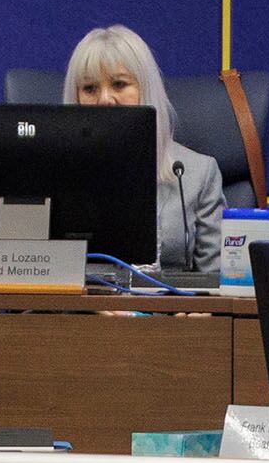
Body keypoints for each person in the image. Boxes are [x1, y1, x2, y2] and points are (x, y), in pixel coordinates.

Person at [62, 24, 225, 278]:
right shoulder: (58, 173)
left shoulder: (197, 174)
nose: (105, 99)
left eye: (119, 84)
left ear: (146, 89)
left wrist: (196, 311)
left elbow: (216, 282)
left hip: (167, 314)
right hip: (82, 314)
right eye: (90, 89)